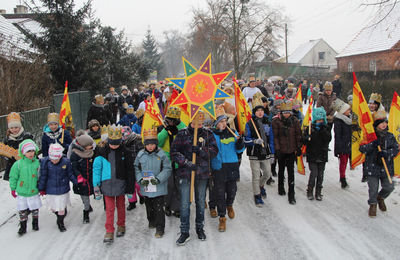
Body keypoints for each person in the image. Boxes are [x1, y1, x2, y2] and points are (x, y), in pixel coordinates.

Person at [171, 111, 218, 246]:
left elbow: (214, 151)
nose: (199, 124)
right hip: (186, 174)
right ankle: (184, 231)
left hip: (202, 174)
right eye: (196, 121)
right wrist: (186, 162)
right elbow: (174, 151)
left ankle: (199, 228)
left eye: (201, 122)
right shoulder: (182, 134)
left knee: (200, 201)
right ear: (191, 120)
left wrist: (201, 151)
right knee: (185, 203)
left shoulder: (208, 133)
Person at [93, 125, 135, 244]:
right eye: (112, 143)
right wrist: (96, 185)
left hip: (120, 184)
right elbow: (96, 169)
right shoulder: (101, 151)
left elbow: (130, 170)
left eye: (117, 143)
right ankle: (109, 230)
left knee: (121, 206)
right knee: (109, 209)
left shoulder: (125, 152)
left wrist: (130, 187)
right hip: (106, 185)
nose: (114, 146)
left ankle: (121, 224)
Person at [211, 106, 244, 231]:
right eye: (221, 121)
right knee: (219, 192)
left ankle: (229, 205)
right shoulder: (212, 135)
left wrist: (240, 143)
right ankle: (222, 218)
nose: (224, 124)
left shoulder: (232, 132)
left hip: (232, 165)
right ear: (216, 123)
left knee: (232, 190)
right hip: (218, 166)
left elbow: (239, 149)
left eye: (225, 121)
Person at [359, 111, 398, 217]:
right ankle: (373, 204)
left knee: (389, 186)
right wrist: (372, 145)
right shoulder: (370, 136)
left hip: (386, 167)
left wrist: (385, 153)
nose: (384, 124)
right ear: (376, 125)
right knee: (373, 188)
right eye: (381, 123)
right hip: (372, 166)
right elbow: (362, 148)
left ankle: (380, 197)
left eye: (385, 122)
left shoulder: (390, 136)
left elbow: (396, 149)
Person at [135, 129, 172, 238]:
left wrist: (159, 179)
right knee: (149, 206)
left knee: (159, 208)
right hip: (146, 187)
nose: (150, 146)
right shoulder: (140, 155)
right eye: (148, 144)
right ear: (145, 145)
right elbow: (136, 168)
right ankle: (151, 220)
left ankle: (160, 228)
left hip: (158, 187)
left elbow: (167, 169)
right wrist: (140, 179)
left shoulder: (162, 155)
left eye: (152, 144)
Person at [38, 143, 77, 232]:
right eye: (52, 159)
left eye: (56, 158)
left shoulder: (66, 162)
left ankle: (60, 223)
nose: (54, 161)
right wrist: (41, 188)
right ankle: (59, 214)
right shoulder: (46, 163)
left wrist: (76, 182)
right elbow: (43, 176)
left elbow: (70, 174)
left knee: (61, 208)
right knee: (53, 208)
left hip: (62, 189)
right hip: (50, 190)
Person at [244, 94, 275, 206]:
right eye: (258, 111)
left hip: (265, 153)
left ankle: (261, 186)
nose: (260, 112)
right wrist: (254, 141)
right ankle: (257, 195)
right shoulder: (249, 124)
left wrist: (272, 153)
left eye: (262, 110)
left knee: (267, 173)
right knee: (256, 176)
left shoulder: (268, 122)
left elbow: (271, 138)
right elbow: (246, 140)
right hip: (254, 154)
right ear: (254, 112)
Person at [158, 107, 186, 217]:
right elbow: (158, 142)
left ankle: (177, 207)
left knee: (178, 185)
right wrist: (166, 131)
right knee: (169, 185)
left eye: (172, 120)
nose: (169, 122)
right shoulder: (164, 128)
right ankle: (167, 205)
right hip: (167, 161)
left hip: (179, 161)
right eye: (168, 120)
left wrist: (178, 128)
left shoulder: (183, 128)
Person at [272, 101, 302, 205]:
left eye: (288, 112)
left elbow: (298, 135)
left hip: (291, 149)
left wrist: (298, 147)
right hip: (281, 149)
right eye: (284, 112)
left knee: (291, 172)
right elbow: (275, 137)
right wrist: (277, 149)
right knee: (281, 169)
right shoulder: (276, 121)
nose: (286, 114)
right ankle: (281, 187)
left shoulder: (295, 121)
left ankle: (291, 193)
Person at [9, 139, 41, 236]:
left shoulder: (38, 163)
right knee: (22, 209)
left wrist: (42, 187)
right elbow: (13, 177)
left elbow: (42, 176)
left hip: (34, 190)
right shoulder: (18, 164)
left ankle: (35, 223)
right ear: (23, 153)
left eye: (32, 151)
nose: (31, 153)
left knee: (35, 208)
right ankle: (23, 226)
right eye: (28, 151)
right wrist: (13, 188)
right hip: (22, 191)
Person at [303, 107, 332, 201]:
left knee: (320, 174)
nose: (320, 121)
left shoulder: (326, 128)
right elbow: (304, 141)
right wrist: (307, 137)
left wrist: (323, 129)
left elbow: (328, 139)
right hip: (312, 154)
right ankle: (310, 190)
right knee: (314, 173)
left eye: (322, 119)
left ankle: (318, 191)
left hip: (322, 154)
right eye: (318, 119)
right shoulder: (310, 128)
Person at [70, 133, 96, 223]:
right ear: (83, 146)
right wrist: (78, 176)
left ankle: (88, 206)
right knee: (84, 196)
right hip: (82, 180)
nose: (91, 146)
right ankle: (86, 213)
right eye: (89, 145)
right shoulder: (75, 155)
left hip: (91, 178)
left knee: (92, 192)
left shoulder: (92, 153)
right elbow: (74, 167)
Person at [2, 112, 33, 181]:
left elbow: (32, 149)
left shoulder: (26, 137)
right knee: (14, 182)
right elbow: (3, 152)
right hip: (12, 165)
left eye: (16, 127)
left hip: (25, 164)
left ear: (20, 127)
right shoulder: (7, 139)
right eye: (11, 128)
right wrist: (8, 157)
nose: (14, 130)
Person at [122, 126, 144, 210]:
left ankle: (142, 195)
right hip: (128, 167)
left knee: (138, 184)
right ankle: (132, 202)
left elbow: (142, 154)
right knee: (130, 185)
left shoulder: (137, 142)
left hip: (138, 166)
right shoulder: (122, 143)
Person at [332, 99, 352, 189]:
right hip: (343, 145)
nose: (349, 111)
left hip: (349, 143)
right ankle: (342, 178)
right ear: (343, 111)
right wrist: (339, 148)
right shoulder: (338, 121)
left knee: (346, 161)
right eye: (347, 110)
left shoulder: (349, 119)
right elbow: (338, 136)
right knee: (343, 162)